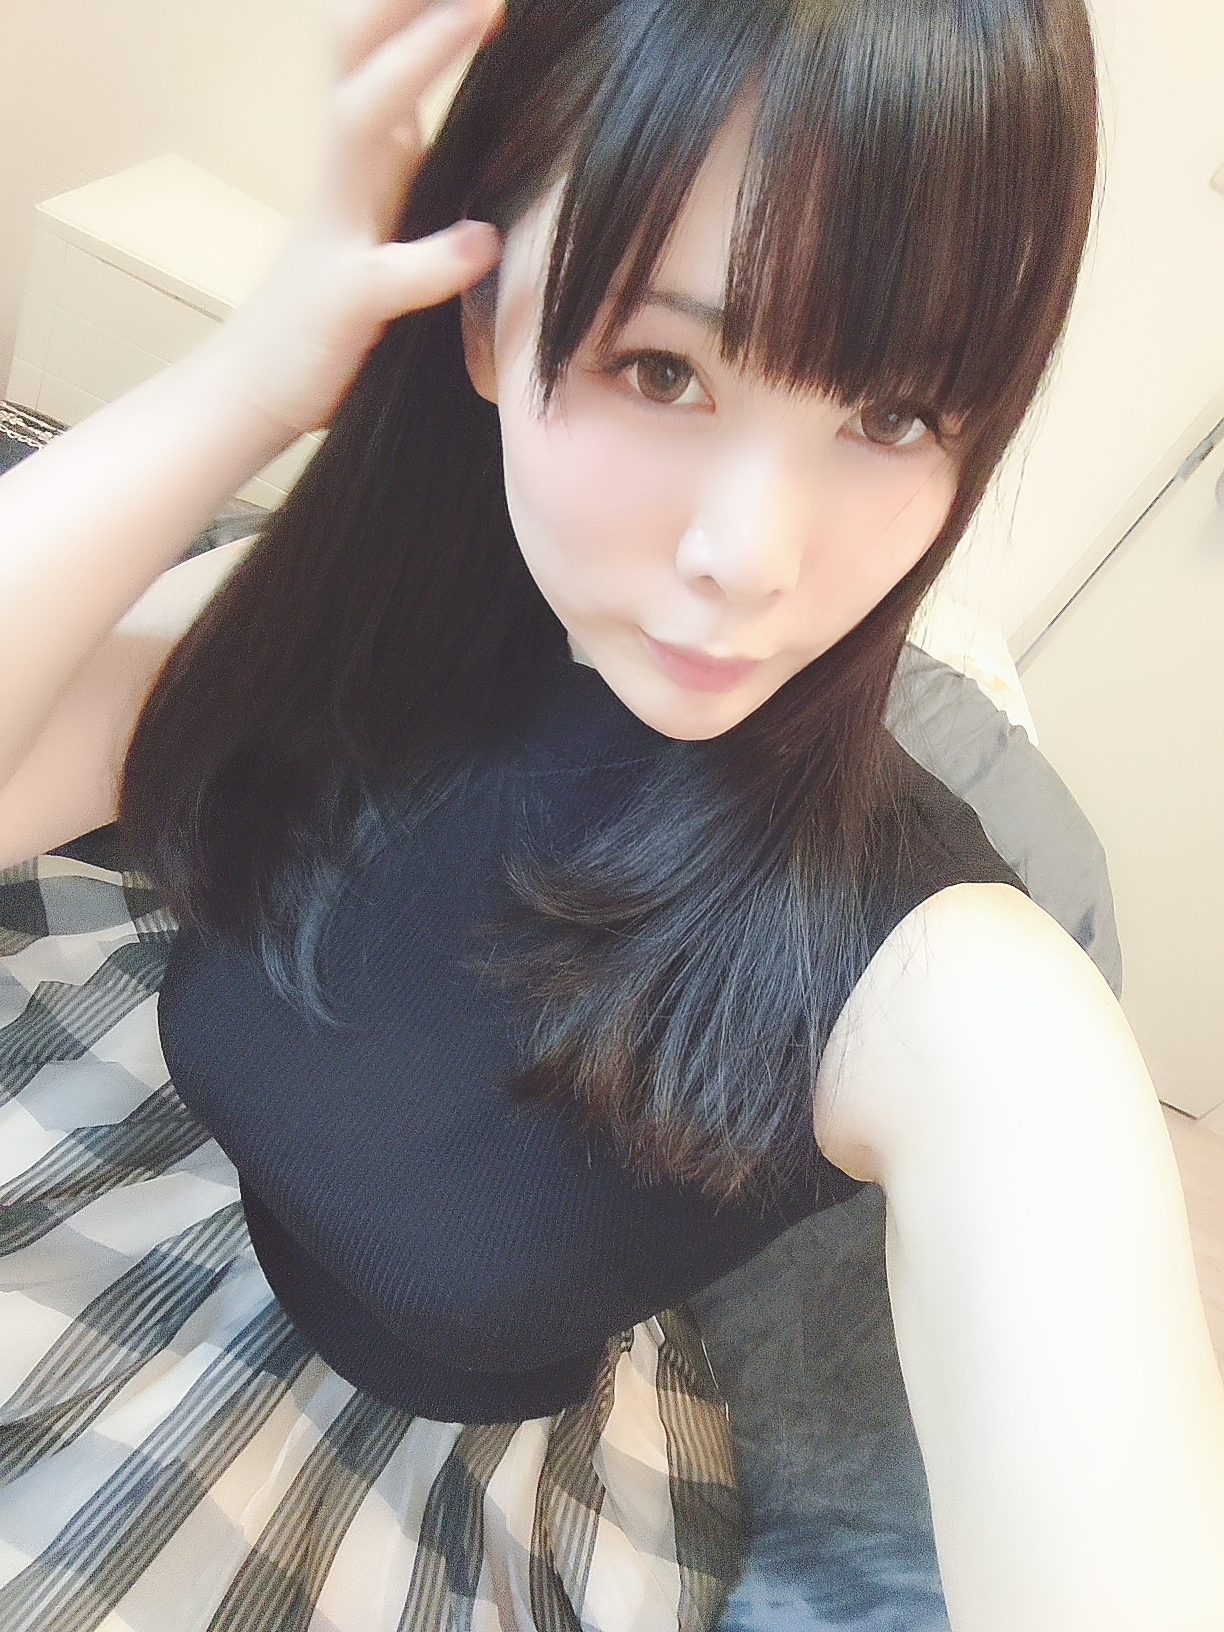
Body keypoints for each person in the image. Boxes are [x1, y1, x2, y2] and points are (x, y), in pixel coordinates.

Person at [0, 0, 1221, 1628]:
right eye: (664, 368)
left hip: (418, 1493)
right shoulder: (354, 630)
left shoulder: (951, 981)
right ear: (485, 315)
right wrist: (255, 375)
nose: (751, 560)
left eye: (894, 415)